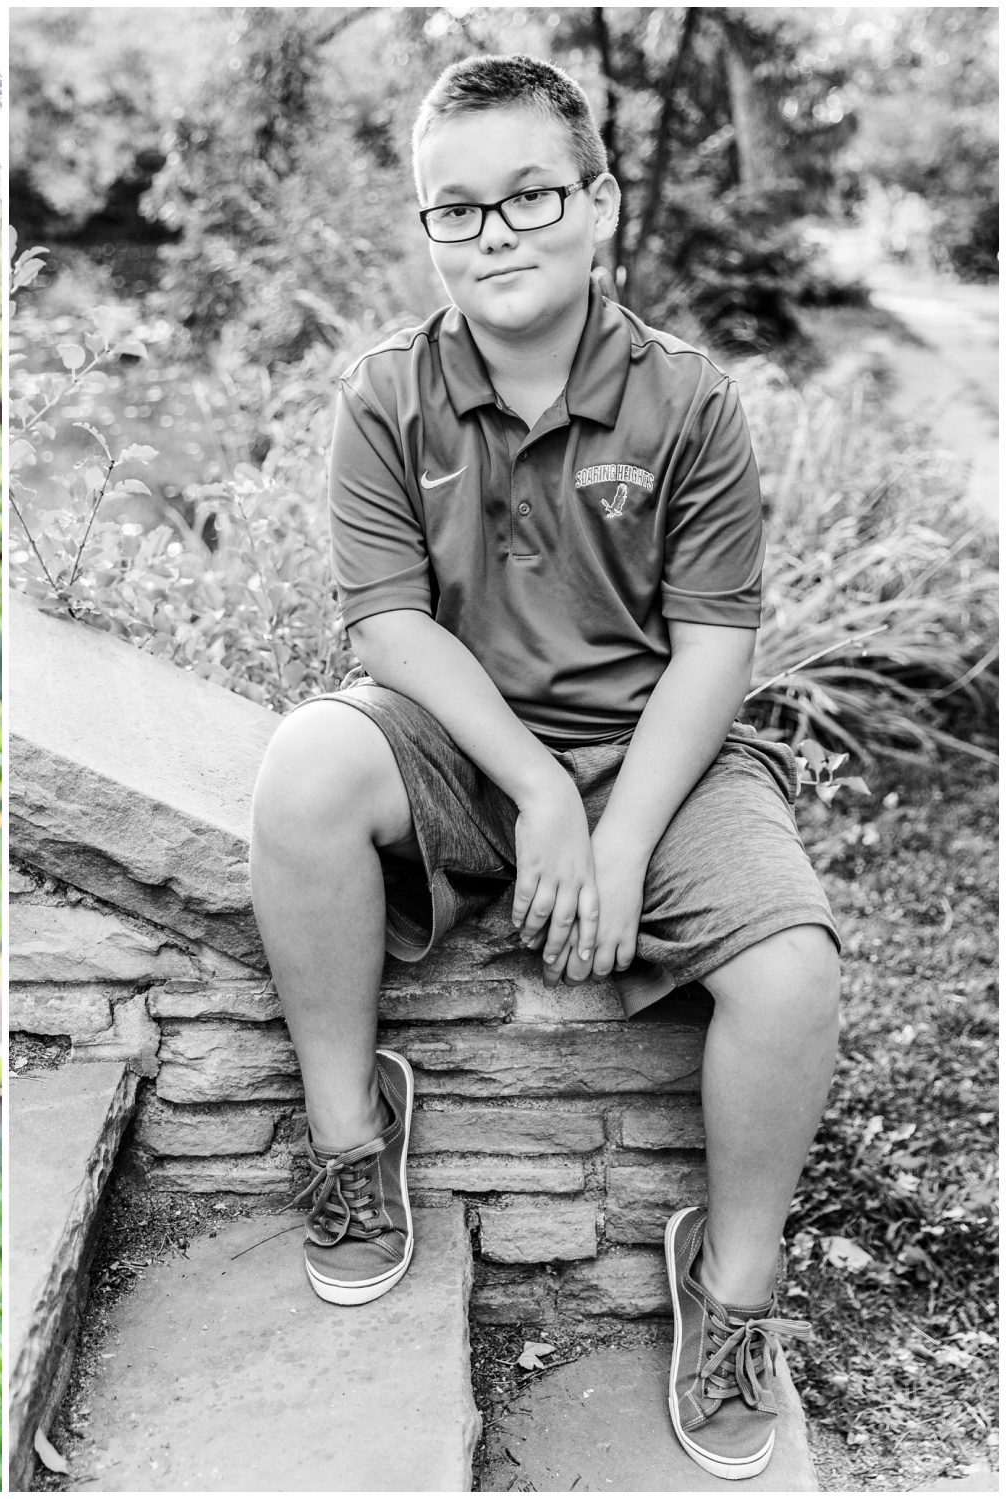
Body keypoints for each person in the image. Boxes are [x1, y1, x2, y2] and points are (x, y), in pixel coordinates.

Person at [247, 55, 837, 1483]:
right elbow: (389, 627)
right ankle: (347, 1134)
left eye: (528, 197)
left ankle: (735, 1285)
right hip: (461, 745)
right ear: (427, 225)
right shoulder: (385, 394)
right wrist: (540, 792)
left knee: (796, 969)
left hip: (664, 757)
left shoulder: (686, 403)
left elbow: (713, 649)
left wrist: (620, 833)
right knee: (306, 767)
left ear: (598, 207)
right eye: (457, 210)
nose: (493, 232)